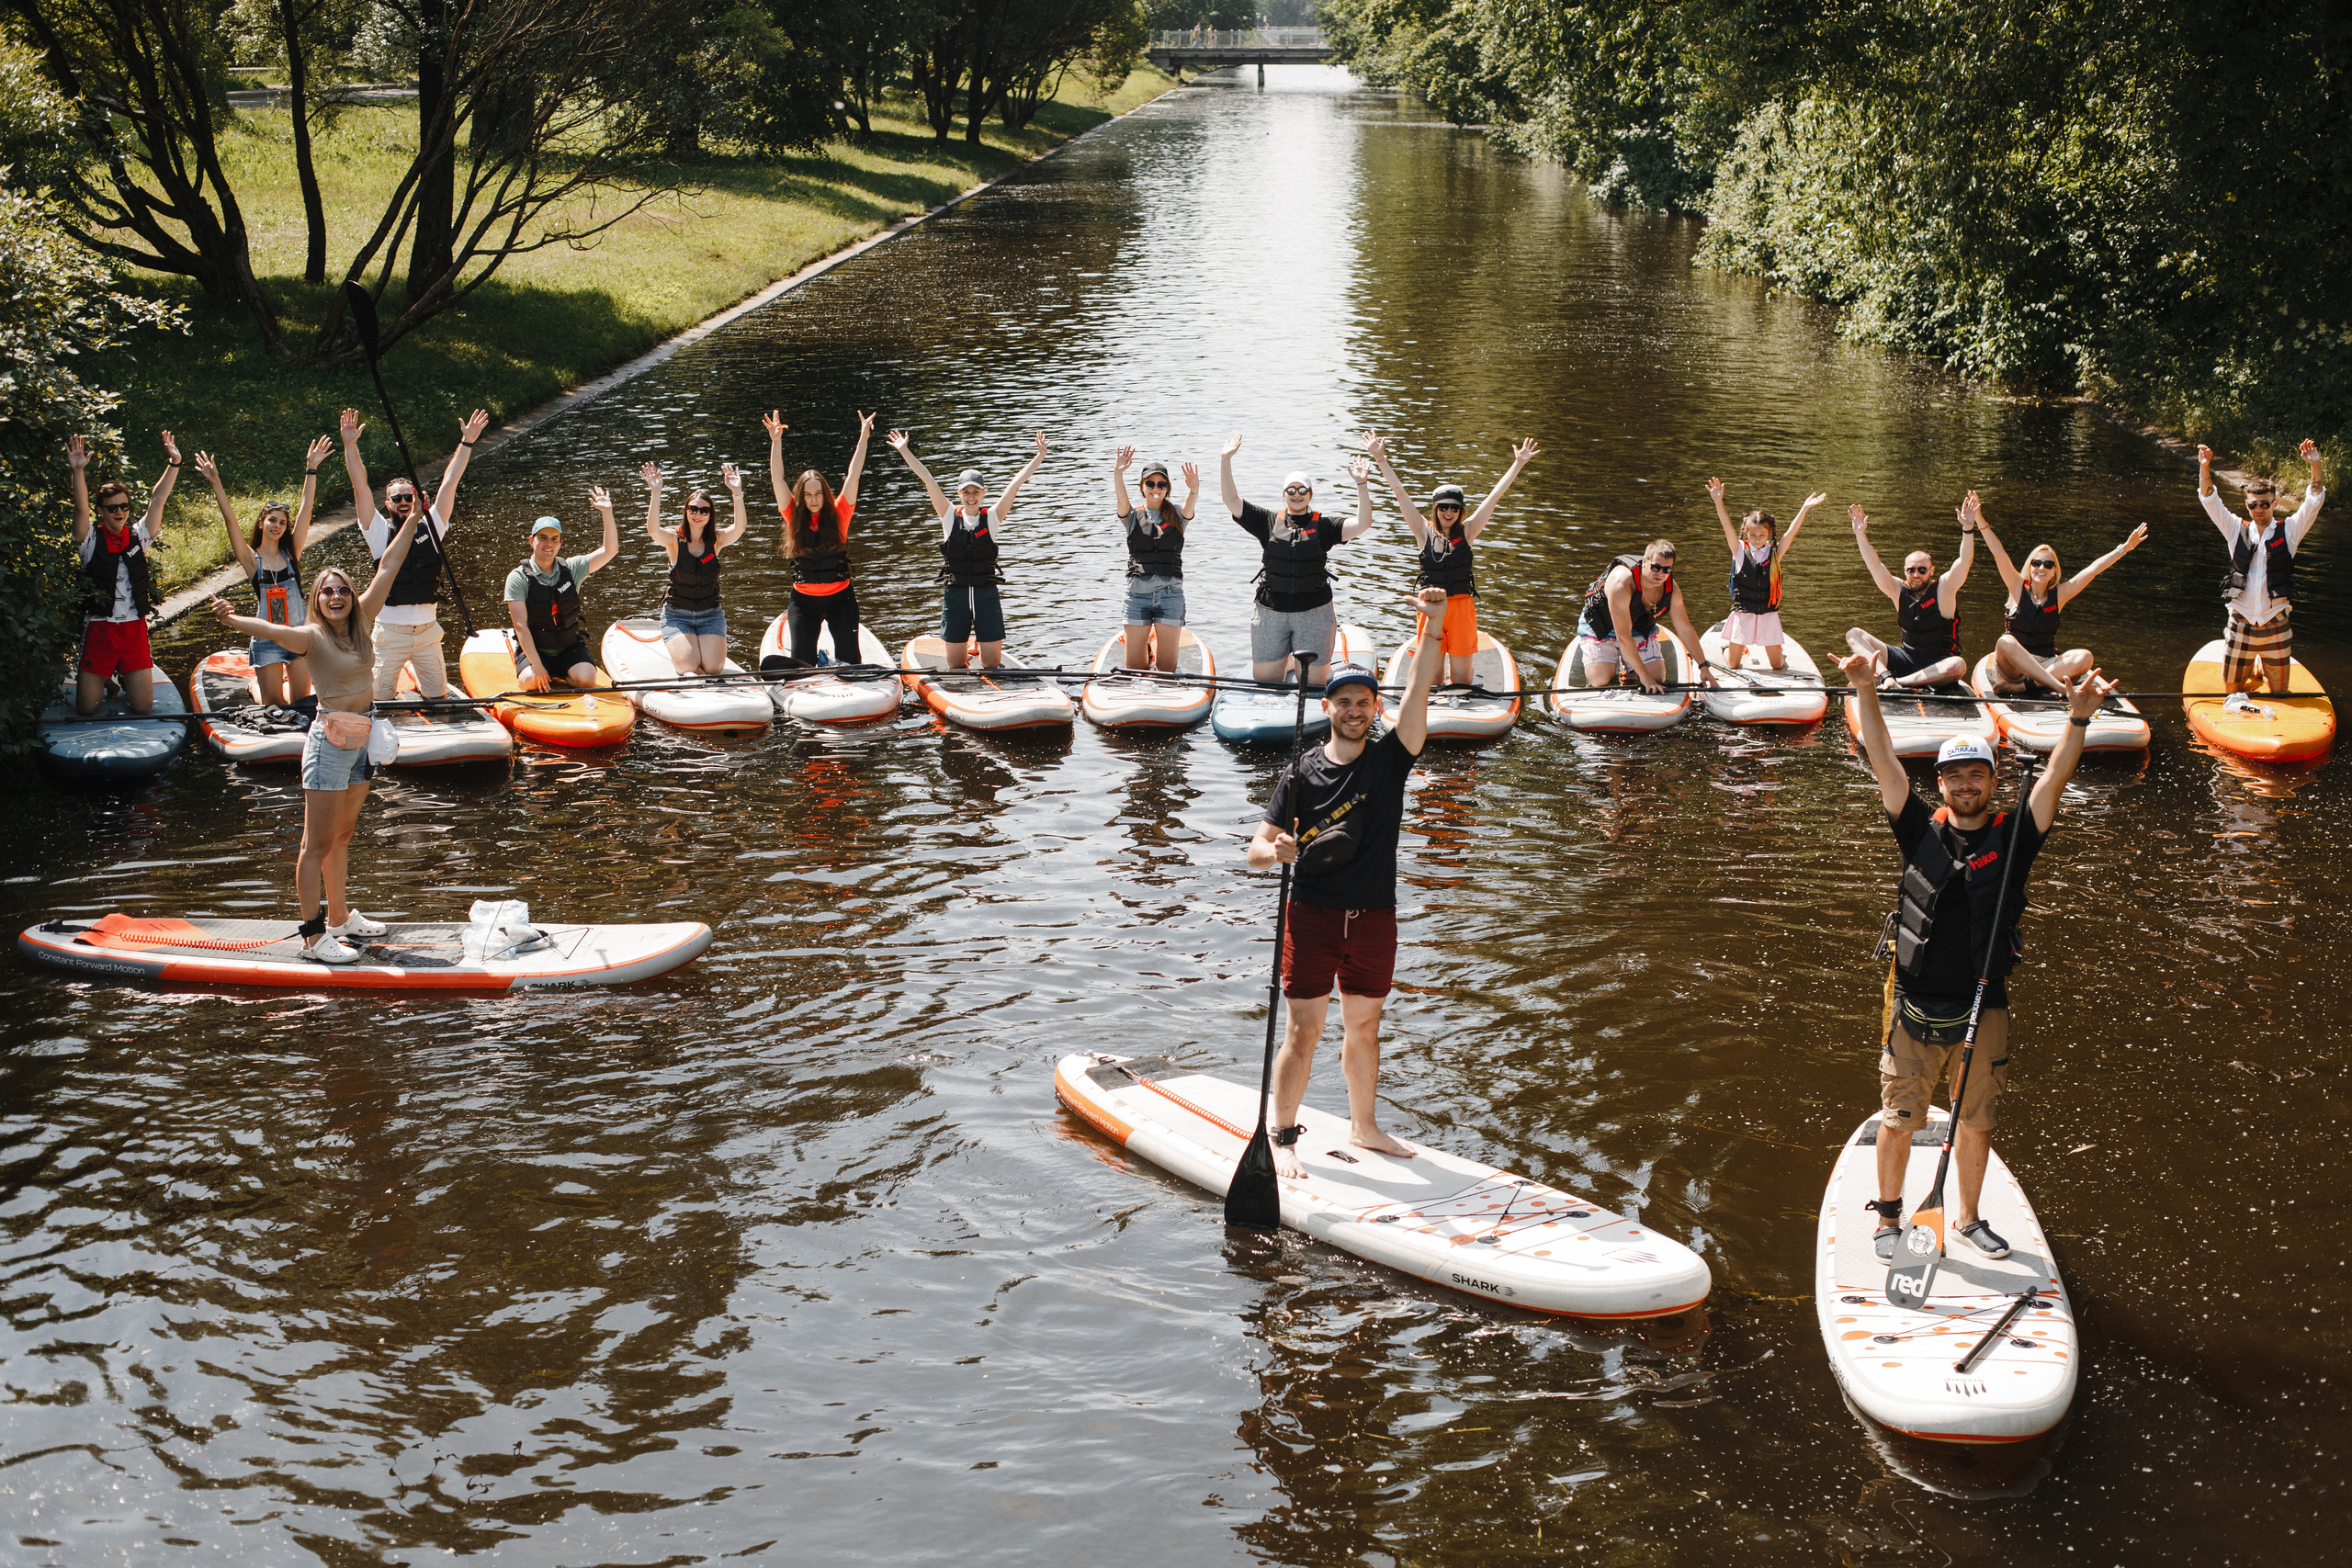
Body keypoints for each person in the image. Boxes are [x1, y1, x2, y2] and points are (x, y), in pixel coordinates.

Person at [1837, 649, 2114, 1261]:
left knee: (1976, 1118)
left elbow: (2054, 779)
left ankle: (1966, 1217)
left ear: (1994, 781)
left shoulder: (2014, 838)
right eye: (1954, 775)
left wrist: (2078, 720)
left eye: (1977, 774)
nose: (1966, 784)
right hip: (1914, 1006)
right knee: (1900, 1117)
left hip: (1983, 1006)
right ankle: (1887, 1219)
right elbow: (1882, 758)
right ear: (1940, 783)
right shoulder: (1917, 829)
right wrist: (1865, 690)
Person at [1245, 587, 1454, 1177]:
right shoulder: (1300, 774)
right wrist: (1276, 851)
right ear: (1329, 708)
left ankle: (1364, 1128)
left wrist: (1432, 626)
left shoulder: (1392, 759)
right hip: (1311, 916)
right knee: (1304, 1032)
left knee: (1364, 1028)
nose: (1355, 710)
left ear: (1374, 707)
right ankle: (1283, 1137)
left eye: (1364, 701)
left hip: (1373, 918)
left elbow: (1419, 692)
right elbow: (1256, 849)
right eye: (1345, 702)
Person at [205, 503, 423, 963]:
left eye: (343, 589)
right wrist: (230, 619)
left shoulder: (363, 619)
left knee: (342, 838)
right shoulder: (311, 637)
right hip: (327, 746)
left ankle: (341, 918)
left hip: (362, 740)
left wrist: (412, 522)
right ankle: (312, 937)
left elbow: (389, 565)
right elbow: (267, 627)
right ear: (317, 600)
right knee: (315, 844)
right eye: (327, 591)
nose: (337, 596)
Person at [341, 404, 491, 700]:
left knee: (437, 697)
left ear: (419, 499)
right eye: (396, 498)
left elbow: (450, 482)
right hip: (389, 634)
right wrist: (350, 445)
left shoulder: (433, 527)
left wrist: (467, 441)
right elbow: (360, 487)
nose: (403, 501)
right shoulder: (378, 532)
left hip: (427, 633)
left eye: (409, 496)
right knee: (379, 699)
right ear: (388, 504)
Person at [1365, 433, 1540, 686]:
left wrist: (1518, 464)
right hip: (1431, 609)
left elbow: (1494, 498)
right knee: (1434, 682)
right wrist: (1380, 458)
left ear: (1461, 511)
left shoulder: (1468, 531)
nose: (1449, 512)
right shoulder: (1422, 530)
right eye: (1444, 507)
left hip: (1461, 609)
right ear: (1435, 509)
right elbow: (1400, 493)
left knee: (1461, 683)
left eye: (1455, 507)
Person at [1219, 433, 1378, 685]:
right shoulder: (1268, 521)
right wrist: (1225, 459)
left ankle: (1300, 661)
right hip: (1272, 610)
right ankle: (1289, 659)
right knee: (1266, 681)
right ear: (1284, 494)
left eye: (1302, 490)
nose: (1297, 494)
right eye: (1291, 490)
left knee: (1314, 684)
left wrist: (1361, 484)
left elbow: (1362, 523)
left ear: (1310, 494)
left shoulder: (1324, 526)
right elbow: (1231, 500)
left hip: (1313, 611)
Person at [889, 429, 1048, 671]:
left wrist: (1039, 456)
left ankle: (982, 648)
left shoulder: (993, 517)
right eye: (966, 492)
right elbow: (928, 479)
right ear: (959, 494)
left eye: (976, 492)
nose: (971, 497)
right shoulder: (948, 515)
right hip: (957, 595)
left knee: (992, 663)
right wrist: (904, 450)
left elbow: (1016, 483)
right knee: (956, 664)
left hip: (986, 594)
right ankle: (967, 647)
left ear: (983, 494)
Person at [194, 434, 333, 706]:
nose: (277, 526)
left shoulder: (292, 553)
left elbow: (306, 509)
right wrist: (215, 481)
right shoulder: (251, 559)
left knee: (302, 703)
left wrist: (311, 467)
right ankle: (256, 685)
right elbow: (230, 519)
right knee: (274, 706)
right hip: (267, 637)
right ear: (261, 523)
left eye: (282, 522)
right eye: (272, 520)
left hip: (299, 633)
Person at [2199, 438, 2326, 697]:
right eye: (2253, 504)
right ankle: (2251, 667)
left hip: (2276, 623)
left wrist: (2316, 466)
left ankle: (2262, 667)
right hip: (2241, 623)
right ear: (2247, 505)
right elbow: (2210, 500)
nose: (2259, 509)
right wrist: (2205, 467)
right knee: (2232, 691)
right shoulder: (2235, 529)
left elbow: (2313, 502)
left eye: (2265, 504)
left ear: (2275, 504)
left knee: (2280, 693)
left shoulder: (2289, 531)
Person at [67, 430, 180, 716]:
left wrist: (174, 463)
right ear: (102, 511)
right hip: (100, 629)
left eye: (125, 507)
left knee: (143, 708)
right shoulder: (90, 541)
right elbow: (80, 509)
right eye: (113, 508)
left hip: (133, 629)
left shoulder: (138, 536)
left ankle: (124, 675)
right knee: (87, 709)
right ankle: (107, 679)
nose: (120, 512)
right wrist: (78, 470)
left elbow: (157, 501)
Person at [1975, 513, 2147, 695]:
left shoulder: (2060, 594)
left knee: (2085, 657)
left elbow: (2093, 570)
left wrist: (2124, 548)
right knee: (2005, 642)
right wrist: (1979, 519)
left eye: (2048, 565)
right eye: (2037, 563)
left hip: (2046, 665)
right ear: (2030, 566)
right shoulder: (2016, 586)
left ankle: (2023, 688)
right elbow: (1998, 552)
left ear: (2054, 571)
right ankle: (2058, 687)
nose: (2041, 568)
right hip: (2013, 669)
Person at [772, 410, 876, 665]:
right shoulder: (792, 515)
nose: (814, 500)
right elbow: (777, 478)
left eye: (818, 493)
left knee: (851, 660)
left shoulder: (840, 512)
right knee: (802, 663)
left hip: (840, 599)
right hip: (803, 602)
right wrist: (776, 443)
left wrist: (863, 438)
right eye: (808, 495)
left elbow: (854, 474)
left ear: (825, 493)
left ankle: (835, 661)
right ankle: (816, 661)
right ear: (801, 496)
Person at [1845, 494, 1978, 690]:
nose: (1916, 574)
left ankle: (1896, 682)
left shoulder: (1944, 589)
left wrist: (1968, 528)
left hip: (1937, 664)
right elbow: (1874, 565)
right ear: (1905, 572)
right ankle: (1885, 676)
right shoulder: (1897, 589)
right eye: (1911, 570)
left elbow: (1964, 562)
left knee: (1958, 665)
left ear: (1931, 571)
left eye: (1922, 570)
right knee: (1853, 634)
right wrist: (1859, 534)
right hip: (1905, 659)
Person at [504, 492, 623, 691]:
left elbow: (610, 550)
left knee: (586, 680)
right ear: (531, 540)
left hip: (567, 647)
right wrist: (537, 665)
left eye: (554, 538)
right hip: (536, 649)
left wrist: (607, 513)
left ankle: (558, 677)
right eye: (542, 538)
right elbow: (520, 626)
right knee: (529, 682)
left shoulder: (573, 568)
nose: (548, 543)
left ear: (560, 543)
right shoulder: (518, 577)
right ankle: (543, 673)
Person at [640, 458, 748, 675]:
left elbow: (739, 528)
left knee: (714, 667)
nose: (698, 515)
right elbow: (653, 530)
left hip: (711, 614)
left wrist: (737, 492)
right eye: (693, 509)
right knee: (689, 666)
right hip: (677, 615)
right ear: (686, 511)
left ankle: (697, 646)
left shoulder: (716, 540)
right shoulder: (673, 539)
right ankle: (682, 647)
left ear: (710, 515)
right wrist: (656, 491)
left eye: (704, 511)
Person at [1707, 479, 1826, 671]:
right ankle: (1726, 647)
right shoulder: (1738, 549)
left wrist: (1804, 508)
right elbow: (1727, 527)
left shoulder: (1774, 554)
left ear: (1769, 534)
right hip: (1743, 614)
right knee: (1733, 664)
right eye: (1752, 535)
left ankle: (1779, 653)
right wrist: (1718, 501)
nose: (1756, 539)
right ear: (1745, 533)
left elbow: (1791, 533)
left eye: (1762, 535)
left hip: (1768, 614)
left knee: (1777, 665)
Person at [1573, 537, 1720, 694]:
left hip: (1637, 628)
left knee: (1657, 678)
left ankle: (1629, 667)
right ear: (1644, 562)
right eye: (1655, 567)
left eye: (1666, 570)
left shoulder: (1672, 590)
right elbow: (1623, 636)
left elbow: (1685, 629)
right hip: (1602, 627)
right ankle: (1622, 662)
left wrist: (1703, 667)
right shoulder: (1621, 583)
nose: (1660, 574)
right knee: (1600, 679)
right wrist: (1644, 677)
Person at [1111, 446, 1200, 671]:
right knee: (1135, 667)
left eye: (1161, 484)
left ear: (1167, 488)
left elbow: (1190, 506)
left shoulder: (1178, 515)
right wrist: (1117, 473)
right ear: (1142, 487)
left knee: (1167, 668)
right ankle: (1146, 650)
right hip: (1137, 596)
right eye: (1150, 484)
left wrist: (1194, 489)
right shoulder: (1132, 516)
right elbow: (1121, 501)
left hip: (1170, 596)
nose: (1155, 489)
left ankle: (1157, 651)